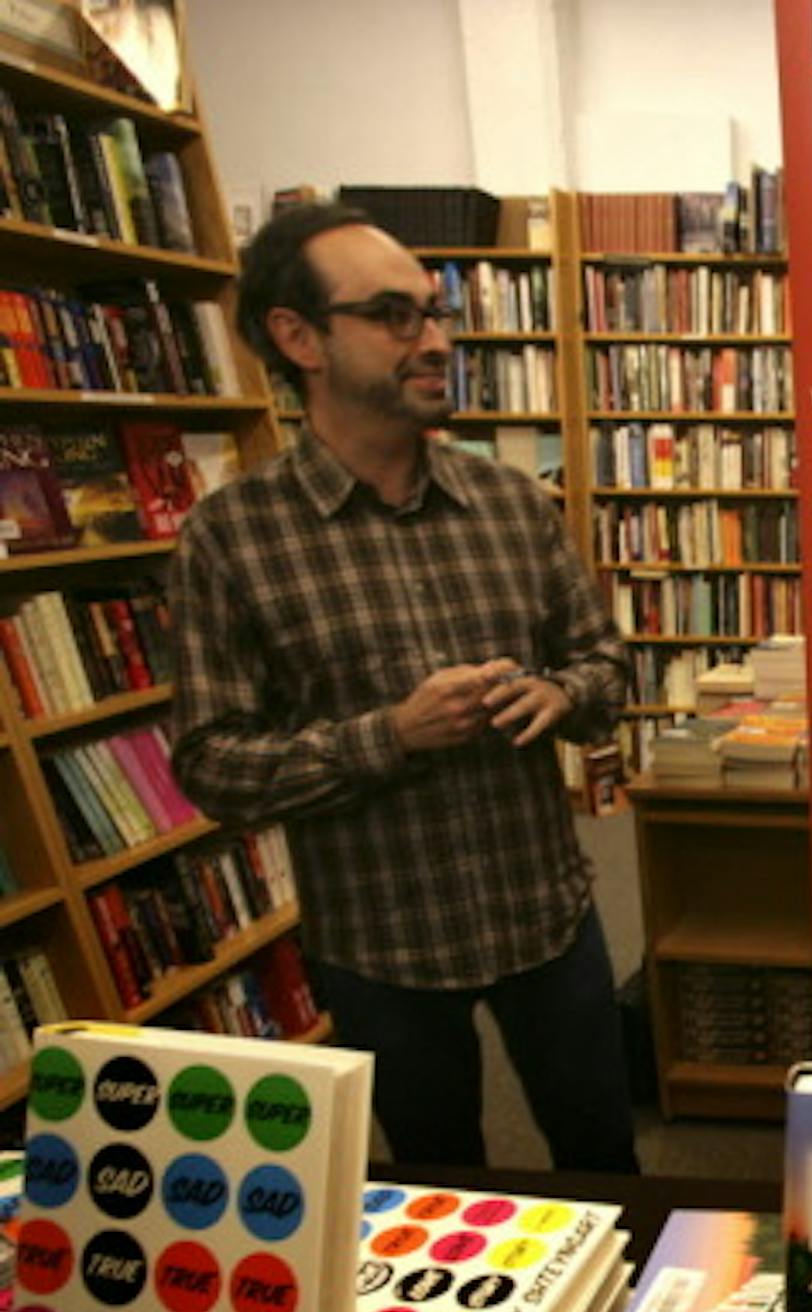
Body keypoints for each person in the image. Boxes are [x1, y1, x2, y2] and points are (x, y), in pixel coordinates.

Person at [170, 202, 639, 1173]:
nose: (435, 341)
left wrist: (560, 696)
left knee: (605, 1164)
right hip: (382, 944)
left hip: (545, 914)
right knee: (437, 1191)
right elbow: (214, 766)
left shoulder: (510, 503)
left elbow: (606, 664)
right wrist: (389, 735)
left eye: (435, 313)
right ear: (298, 338)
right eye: (395, 316)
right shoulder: (234, 537)